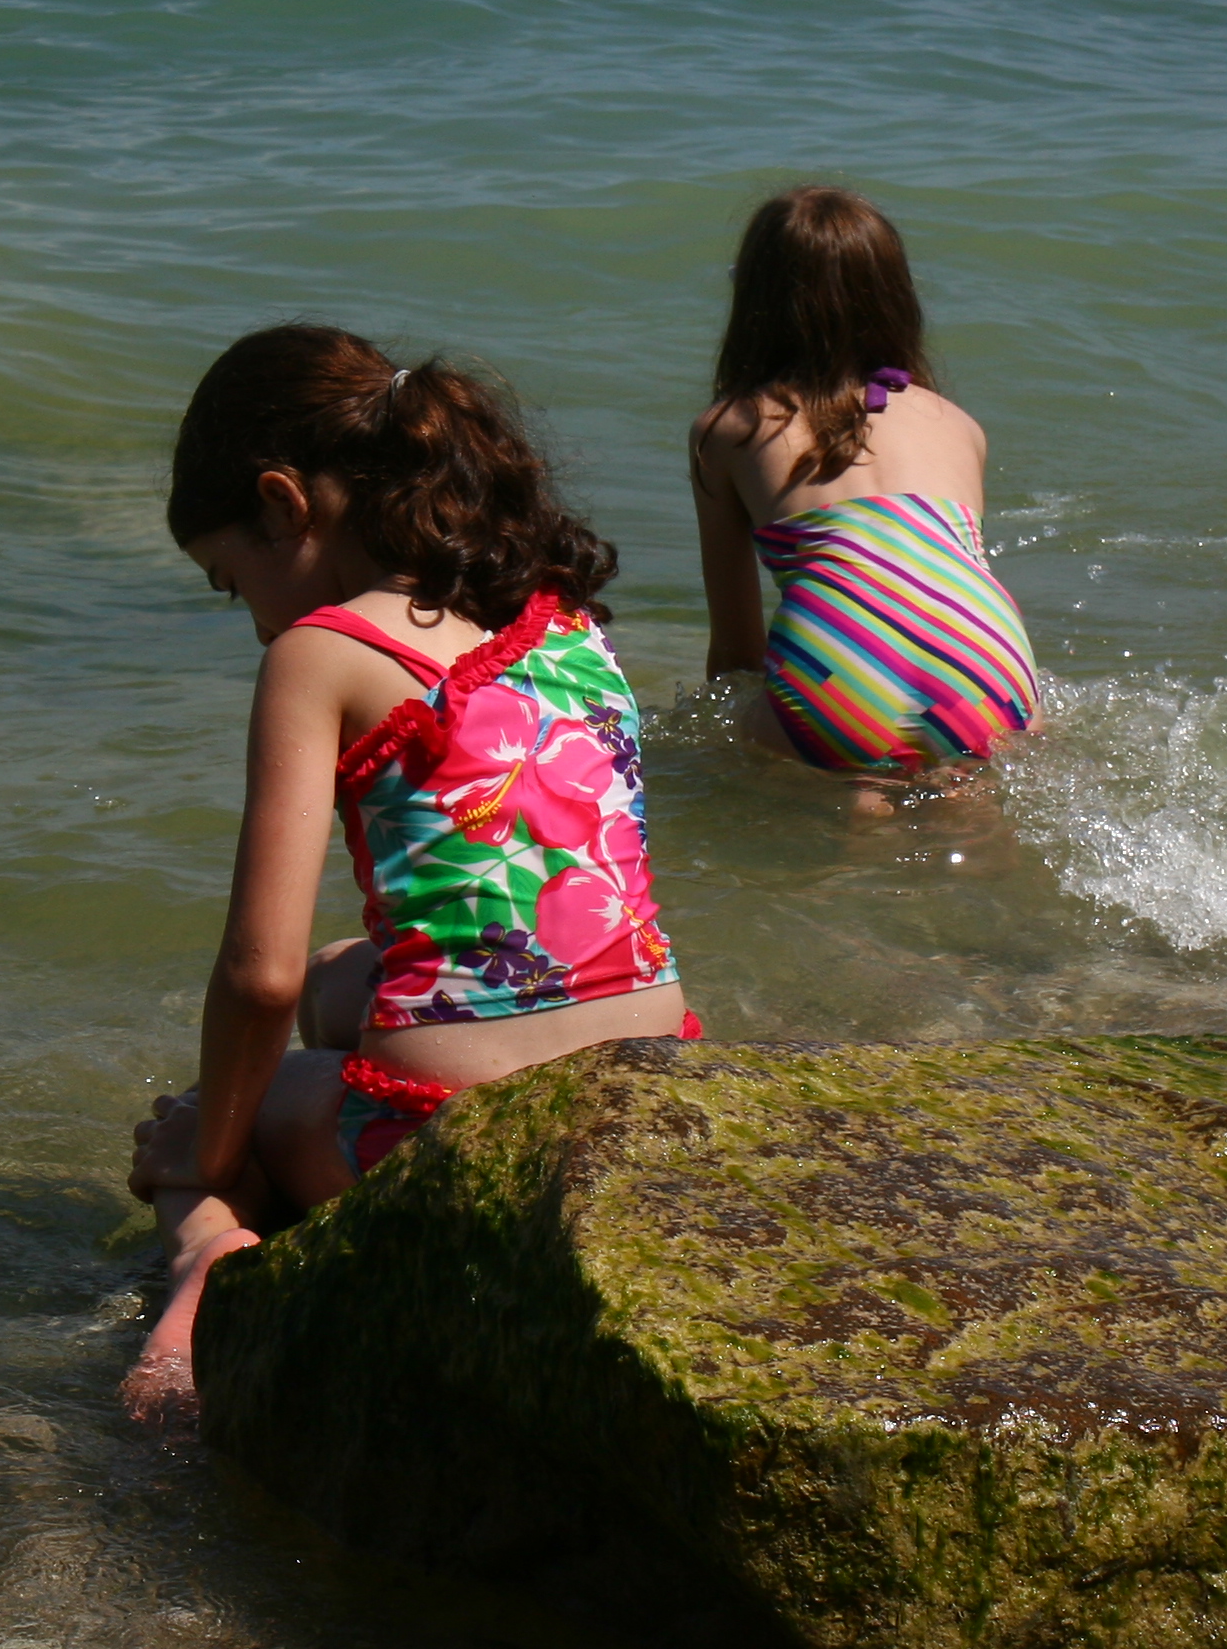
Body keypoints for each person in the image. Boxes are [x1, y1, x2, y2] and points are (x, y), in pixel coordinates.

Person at [121, 324, 695, 1420]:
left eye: (230, 580)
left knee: (189, 1121)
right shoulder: (558, 611)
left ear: (286, 503)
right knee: (356, 971)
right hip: (648, 1073)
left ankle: (208, 1252)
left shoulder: (320, 652)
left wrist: (215, 1139)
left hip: (432, 1123)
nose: (251, 621)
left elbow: (259, 977)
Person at [689, 187, 1040, 797]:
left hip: (845, 690)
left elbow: (738, 648)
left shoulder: (729, 428)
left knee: (830, 769)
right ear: (895, 298)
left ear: (754, 300)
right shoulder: (956, 423)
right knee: (964, 797)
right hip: (991, 670)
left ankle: (859, 828)